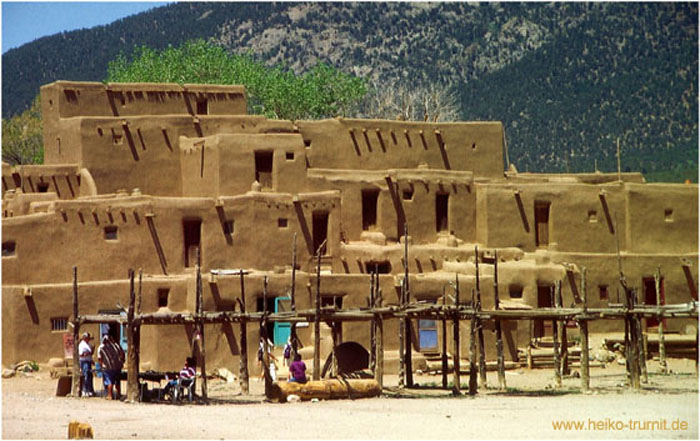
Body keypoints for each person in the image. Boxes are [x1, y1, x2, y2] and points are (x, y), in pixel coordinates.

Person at [98, 334, 125, 400]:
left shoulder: (102, 348)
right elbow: (122, 354)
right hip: (117, 367)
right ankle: (118, 394)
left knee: (109, 381)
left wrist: (101, 365)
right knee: (117, 380)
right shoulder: (116, 346)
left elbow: (99, 358)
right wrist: (121, 362)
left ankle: (110, 395)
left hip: (108, 367)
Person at [78, 332, 95, 397]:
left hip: (89, 361)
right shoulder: (82, 345)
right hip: (84, 362)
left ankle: (90, 390)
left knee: (90, 376)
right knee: (86, 376)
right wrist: (89, 353)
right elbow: (81, 355)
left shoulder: (89, 344)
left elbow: (90, 353)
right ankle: (84, 390)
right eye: (87, 338)